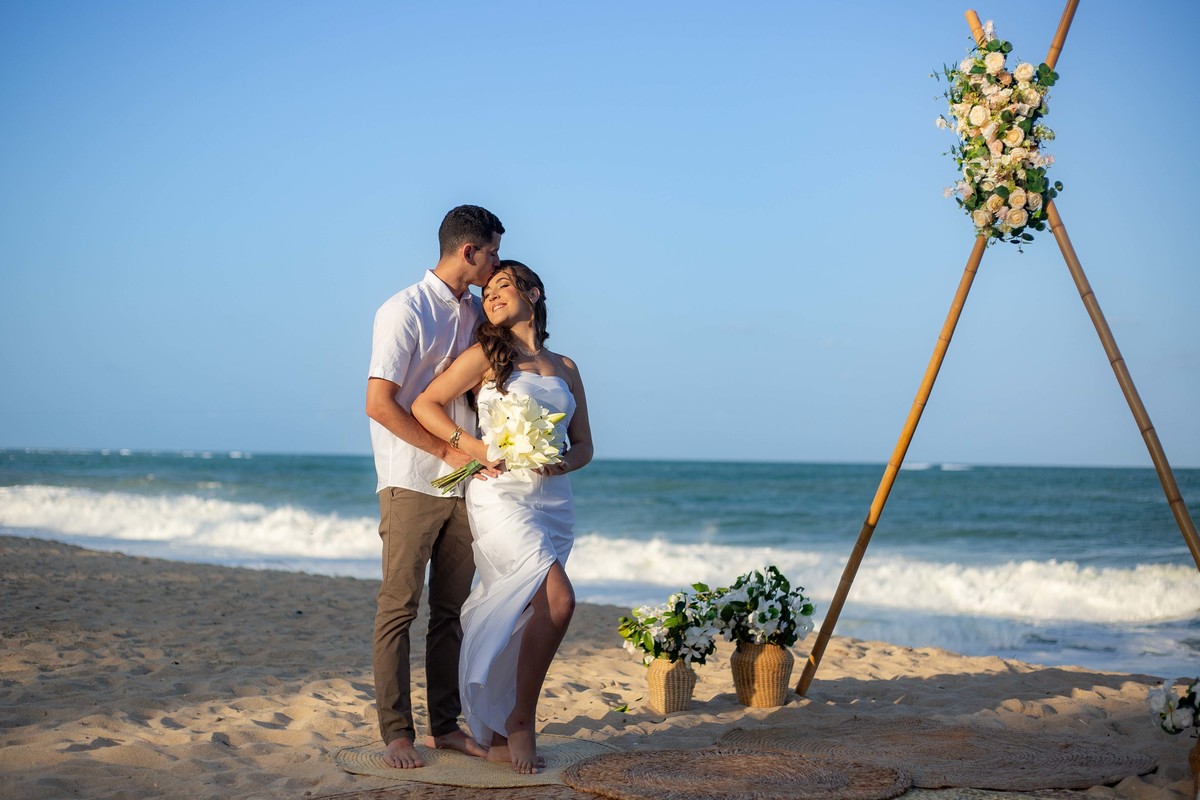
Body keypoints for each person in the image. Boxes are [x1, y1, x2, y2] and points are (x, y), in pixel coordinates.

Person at [412, 260, 593, 774]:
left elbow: (585, 446)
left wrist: (561, 461)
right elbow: (428, 404)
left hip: (553, 500)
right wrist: (473, 449)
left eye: (503, 285)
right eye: (487, 289)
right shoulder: (487, 355)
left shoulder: (568, 367)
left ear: (533, 293)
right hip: (499, 494)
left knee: (527, 613)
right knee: (559, 600)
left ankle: (491, 727)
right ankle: (520, 720)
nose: (491, 295)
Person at [365, 204, 504, 769]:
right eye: (492, 252)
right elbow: (379, 404)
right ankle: (397, 733)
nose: (496, 264)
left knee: (450, 613)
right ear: (469, 251)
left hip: (465, 484)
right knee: (399, 607)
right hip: (411, 480)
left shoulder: (478, 311)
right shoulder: (403, 309)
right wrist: (446, 451)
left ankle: (444, 727)